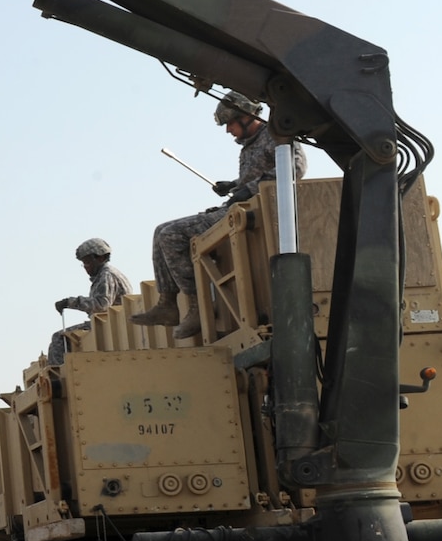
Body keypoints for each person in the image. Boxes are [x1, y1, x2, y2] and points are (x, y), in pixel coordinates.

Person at [132, 91, 307, 339]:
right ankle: (168, 303)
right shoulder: (250, 146)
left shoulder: (274, 135)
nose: (228, 131)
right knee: (161, 230)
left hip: (257, 214)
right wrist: (234, 185)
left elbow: (294, 169)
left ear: (246, 116)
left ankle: (195, 307)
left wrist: (247, 189)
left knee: (171, 234)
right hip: (241, 208)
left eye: (230, 124)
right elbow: (260, 174)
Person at [48, 238, 135, 366]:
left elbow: (101, 305)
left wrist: (70, 302)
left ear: (100, 258)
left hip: (110, 323)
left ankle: (60, 377)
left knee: (59, 338)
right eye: (84, 263)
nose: (86, 267)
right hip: (112, 322)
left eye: (88, 262)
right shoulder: (106, 274)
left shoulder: (107, 275)